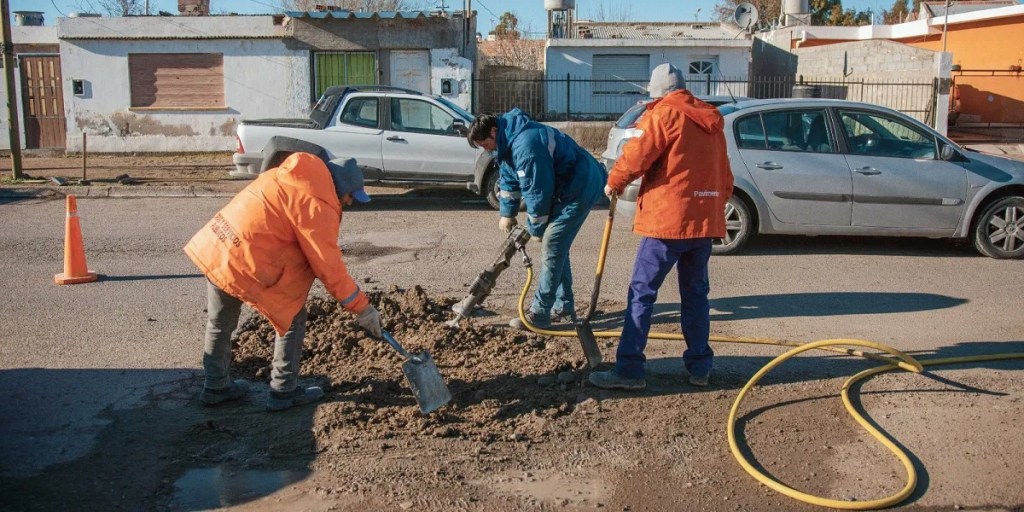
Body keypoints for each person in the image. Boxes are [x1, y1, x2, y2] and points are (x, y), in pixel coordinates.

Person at [184, 152, 382, 411]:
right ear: (341, 188)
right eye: (351, 197)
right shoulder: (317, 202)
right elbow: (329, 268)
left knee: (220, 322)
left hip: (219, 247)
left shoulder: (285, 174)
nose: (350, 203)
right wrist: (362, 309)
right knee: (291, 319)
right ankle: (283, 392)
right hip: (248, 261)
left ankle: (215, 387)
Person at [589, 63, 734, 391]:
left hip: (668, 223)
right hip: (704, 223)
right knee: (696, 295)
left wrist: (614, 181)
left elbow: (637, 155)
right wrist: (711, 206)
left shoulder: (665, 114)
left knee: (642, 292)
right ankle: (700, 367)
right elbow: (725, 176)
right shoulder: (711, 122)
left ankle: (629, 370)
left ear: (658, 94)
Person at [467, 109, 604, 330]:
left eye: (485, 144)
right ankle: (565, 306)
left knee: (552, 243)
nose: (486, 149)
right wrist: (507, 213)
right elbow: (510, 180)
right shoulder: (507, 143)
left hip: (580, 185)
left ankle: (540, 314)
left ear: (493, 131)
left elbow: (537, 191)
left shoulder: (526, 146)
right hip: (565, 186)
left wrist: (537, 228)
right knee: (557, 247)